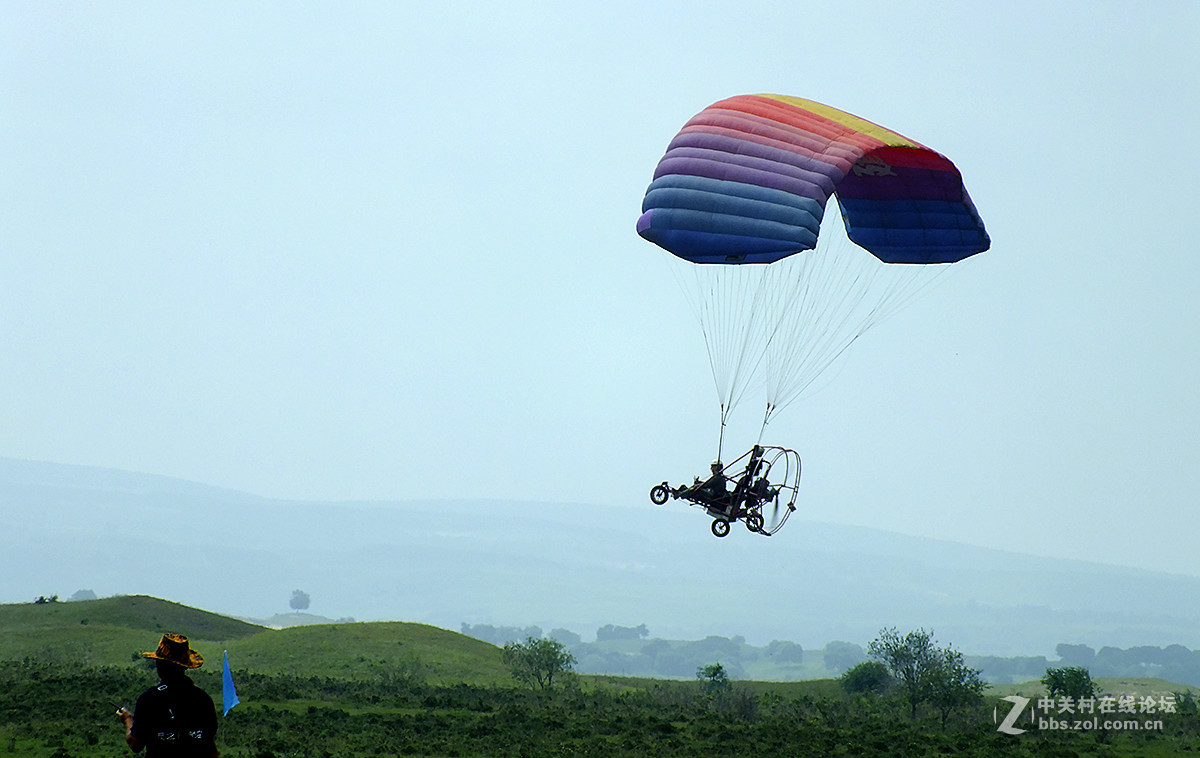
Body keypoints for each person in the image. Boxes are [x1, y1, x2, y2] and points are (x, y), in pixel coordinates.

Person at [117, 633, 219, 757]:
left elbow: (135, 744)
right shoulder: (203, 700)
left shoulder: (149, 699)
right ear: (185, 667)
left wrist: (128, 720)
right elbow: (210, 746)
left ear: (160, 666)